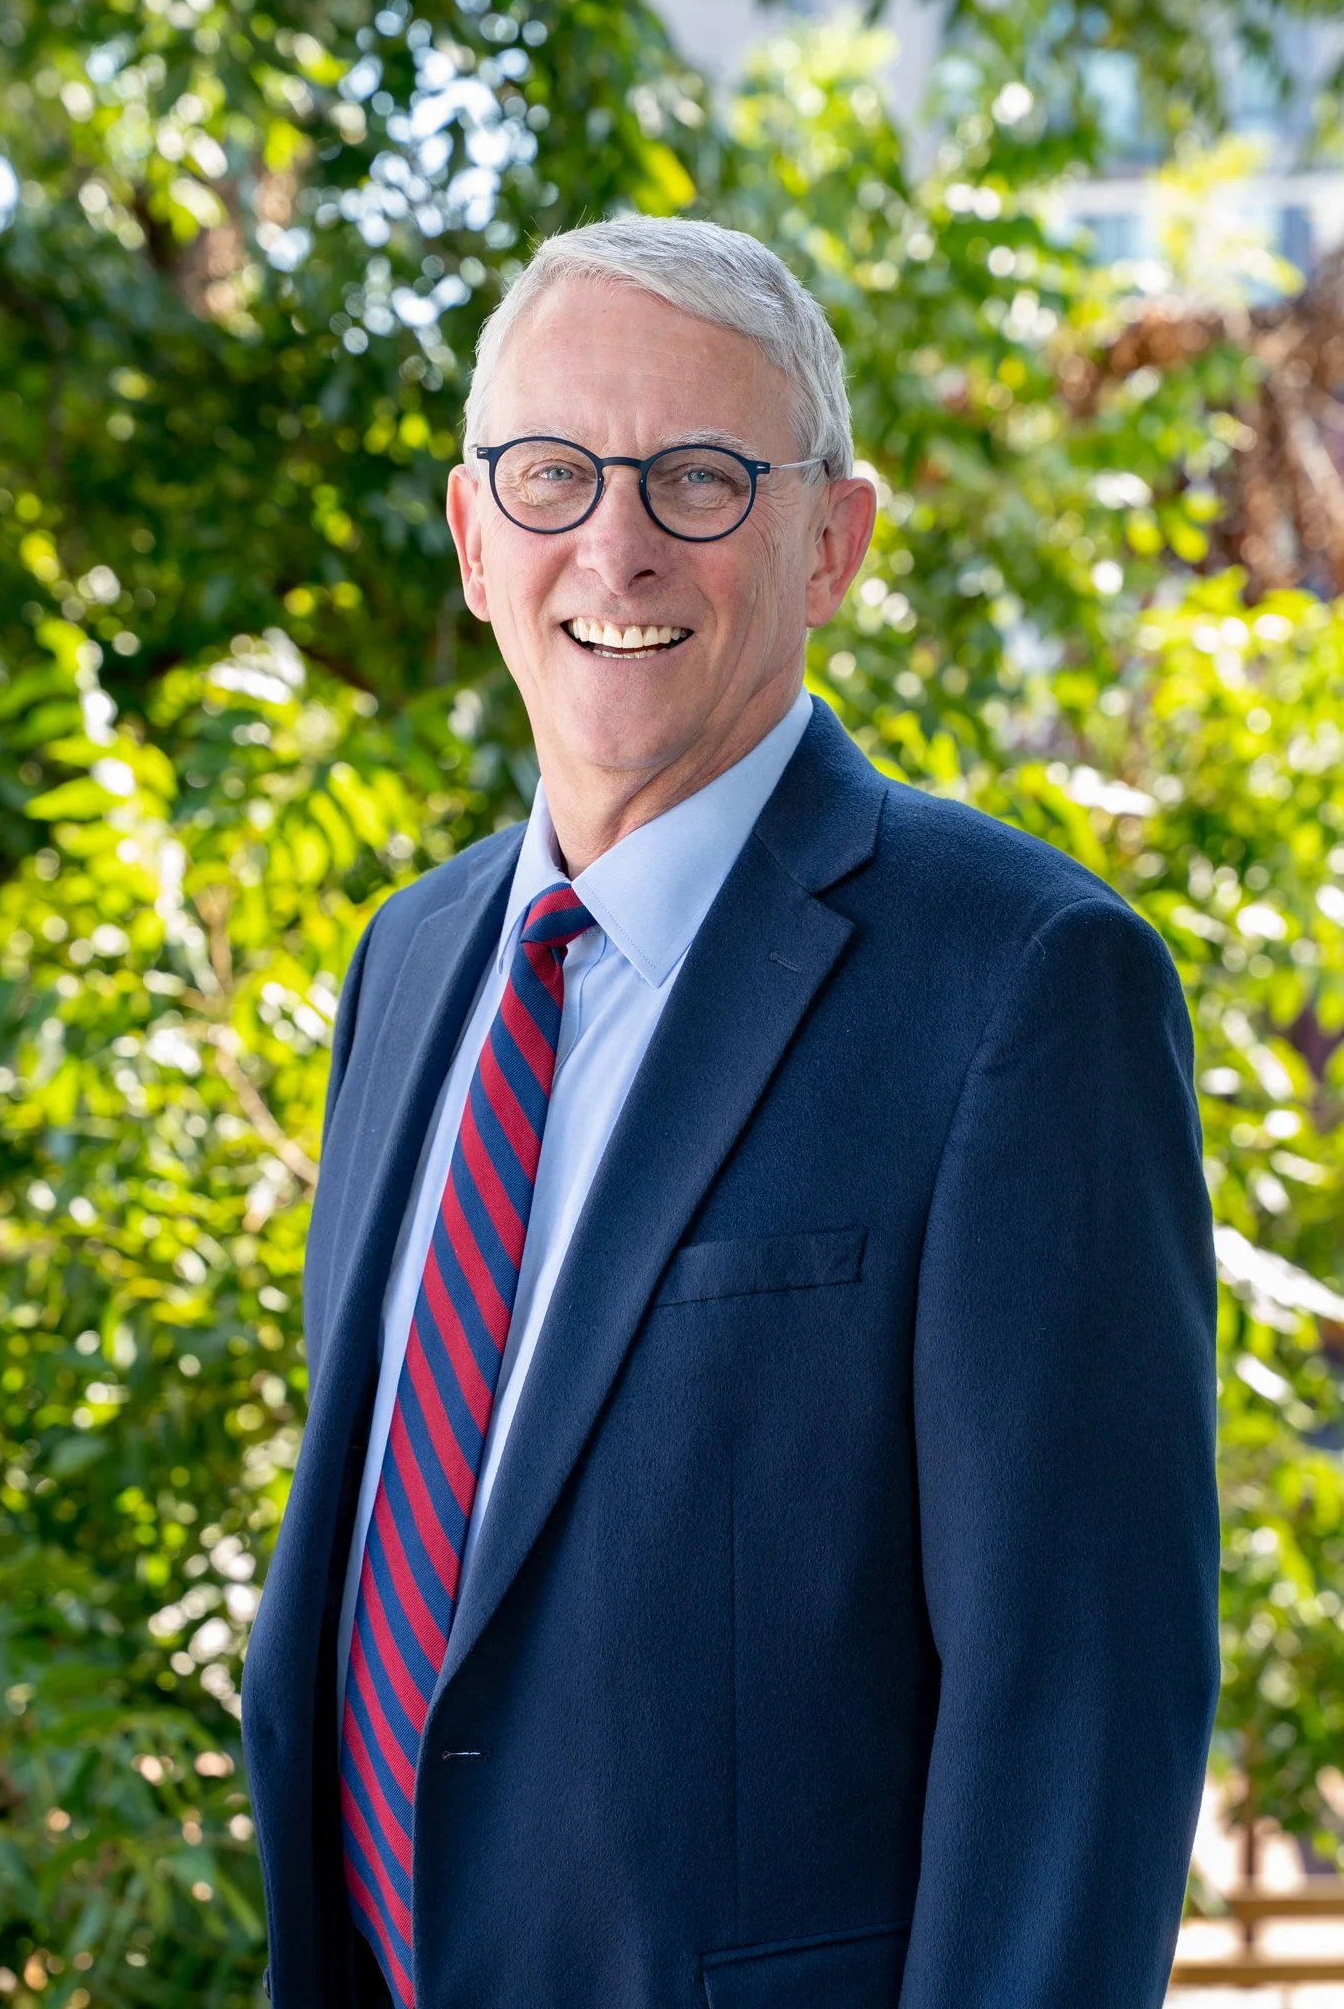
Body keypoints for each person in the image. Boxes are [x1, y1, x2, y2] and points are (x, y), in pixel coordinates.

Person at [242, 215, 1219, 2009]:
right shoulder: (409, 960)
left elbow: (1077, 1714)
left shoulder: (1024, 986)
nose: (614, 542)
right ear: (474, 538)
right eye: (551, 476)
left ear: (831, 541)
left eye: (699, 477)